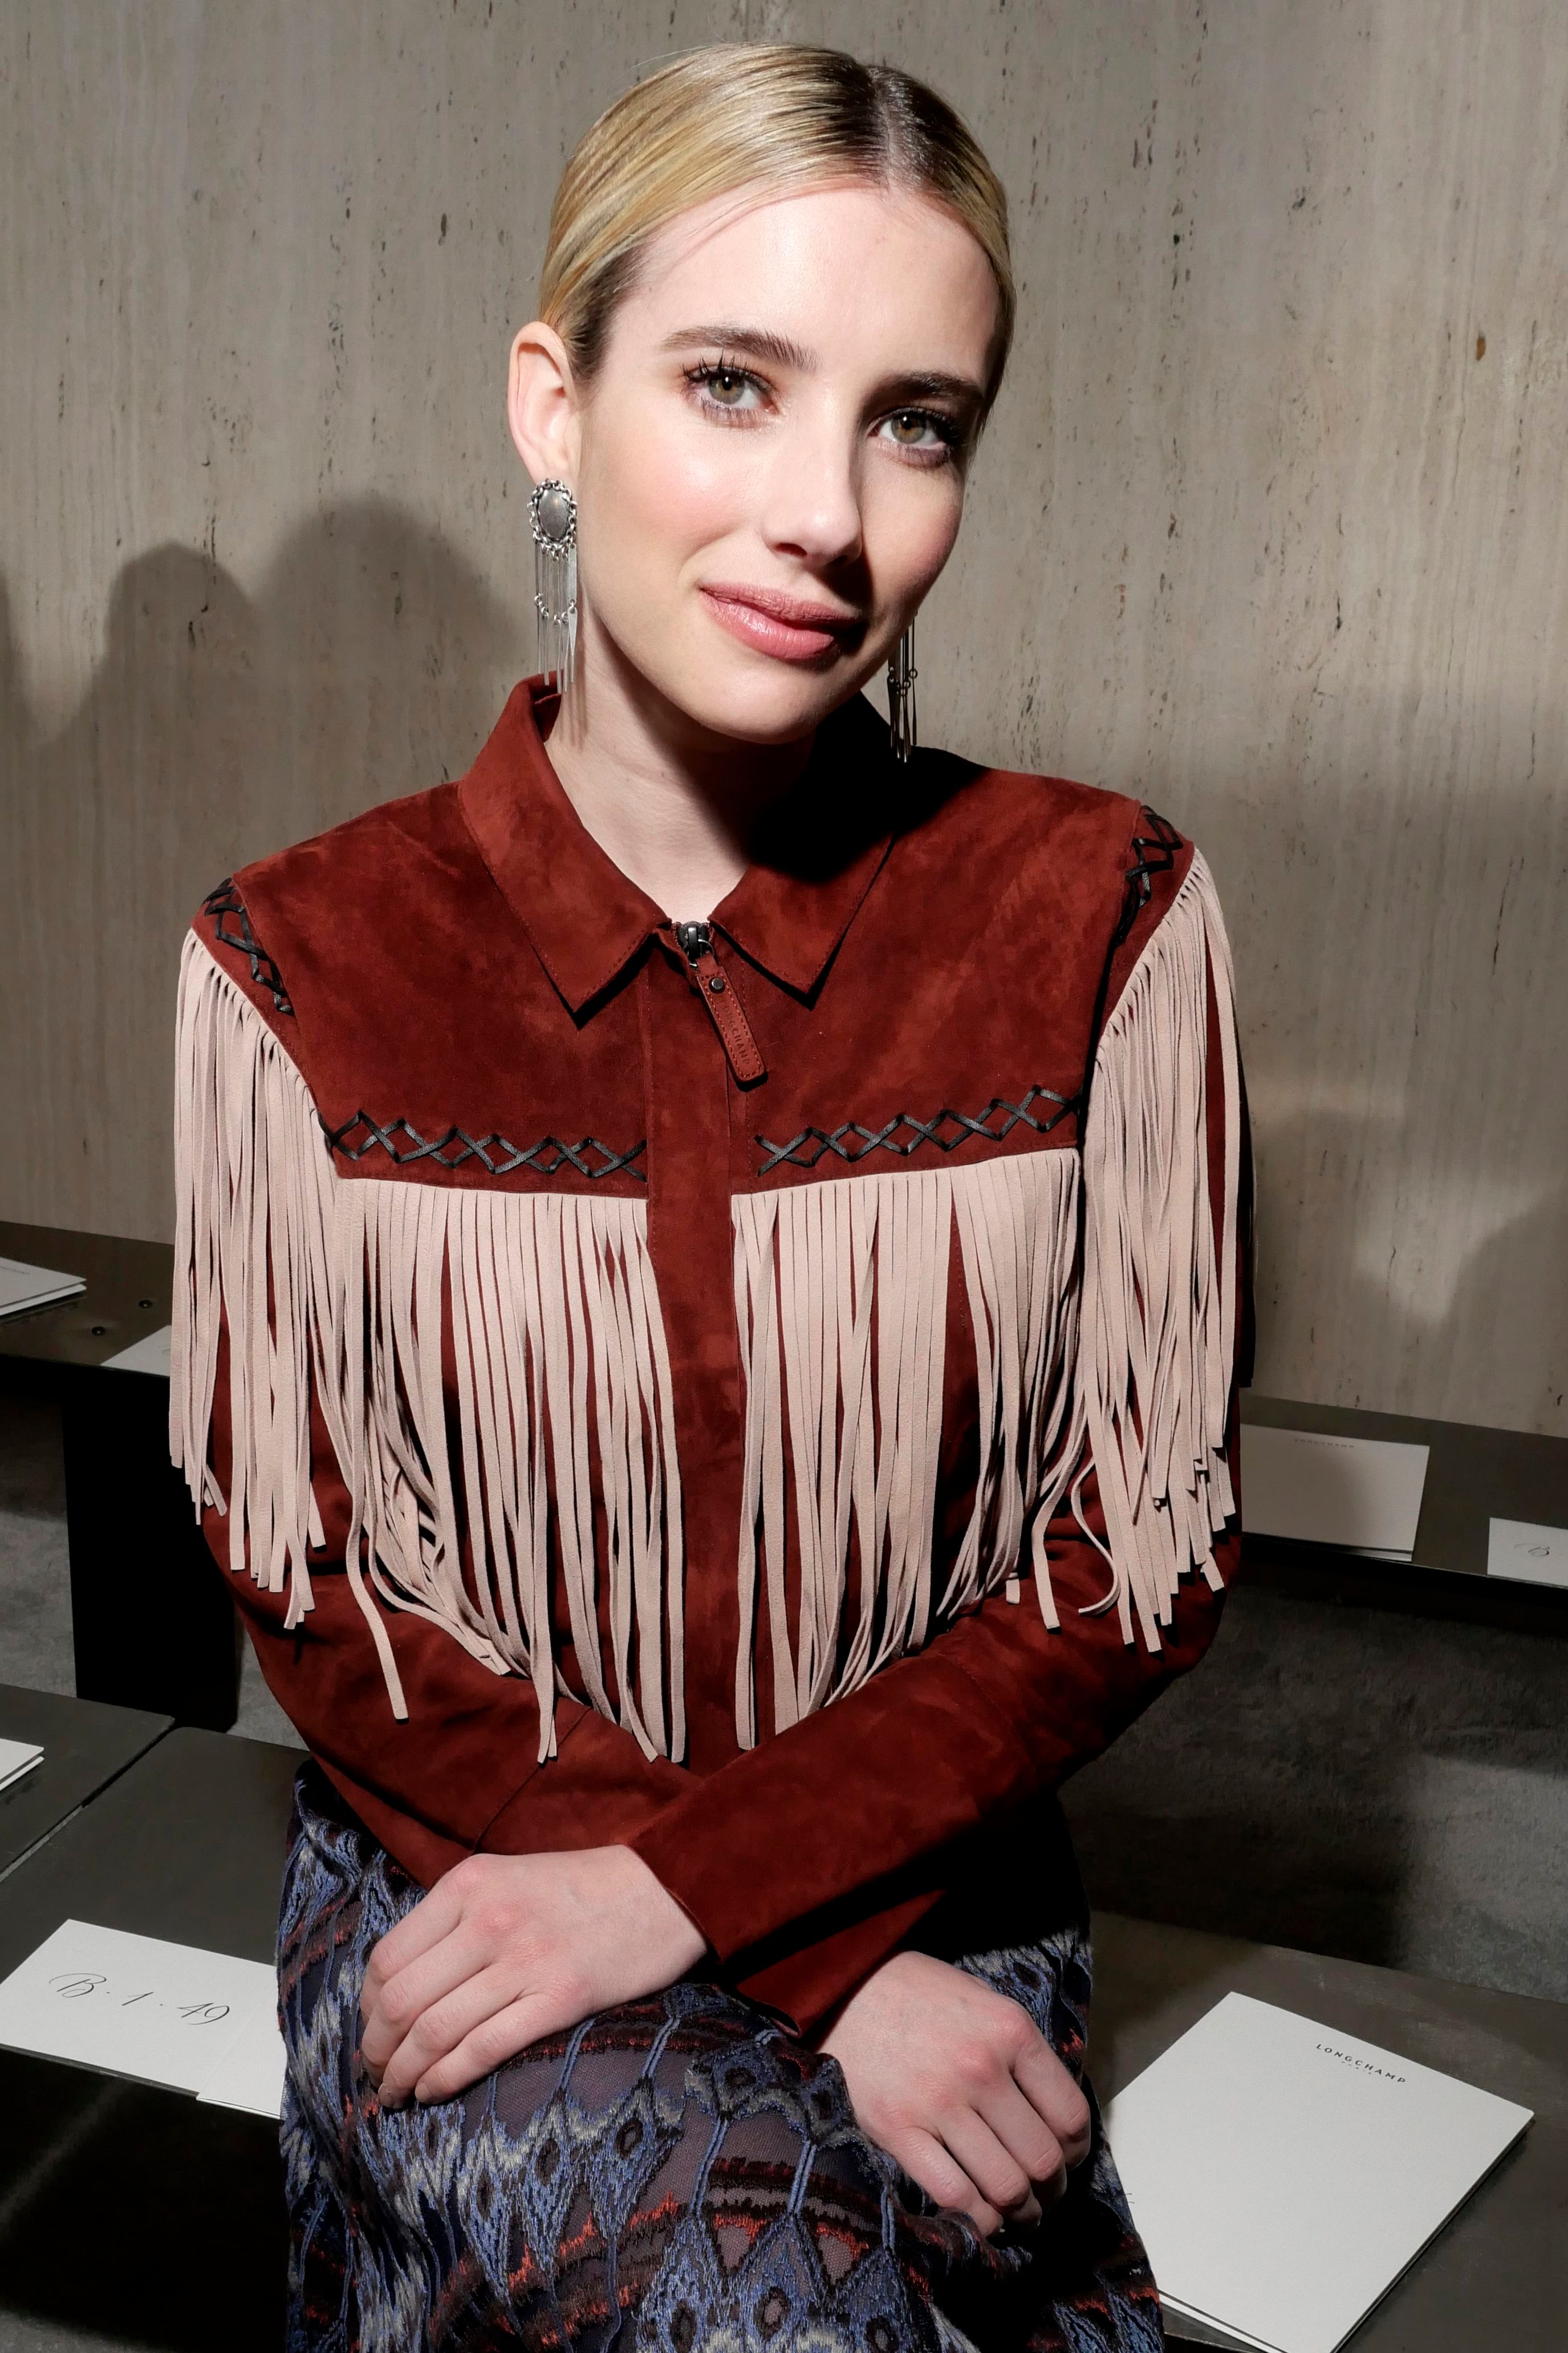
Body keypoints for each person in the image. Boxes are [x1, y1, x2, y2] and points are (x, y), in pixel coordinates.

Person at [172, 42, 1248, 2353]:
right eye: (735, 384)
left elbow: (1130, 1556)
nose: (827, 513)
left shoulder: (1096, 914)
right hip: (469, 1882)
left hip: (945, 1895)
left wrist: (711, 1897)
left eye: (915, 422)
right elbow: (319, 1577)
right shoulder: (303, 959)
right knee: (759, 2294)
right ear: (551, 406)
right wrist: (778, 1952)